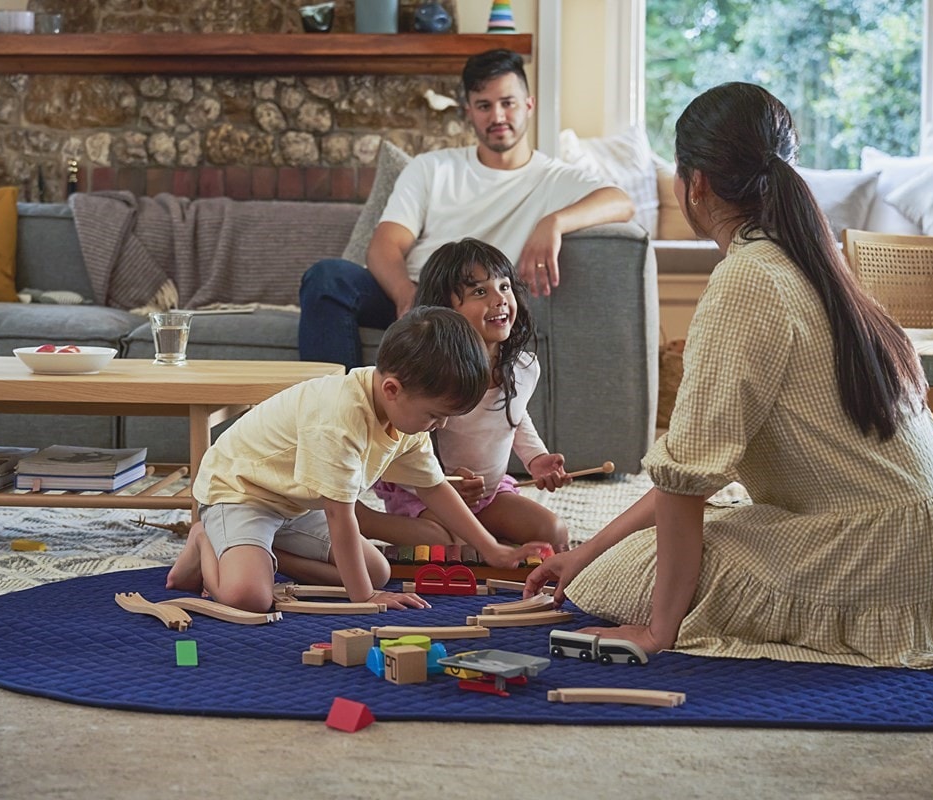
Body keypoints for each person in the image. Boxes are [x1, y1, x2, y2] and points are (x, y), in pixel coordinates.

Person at [525, 82, 933, 672]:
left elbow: (685, 481)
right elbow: (687, 471)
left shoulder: (745, 281)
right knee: (648, 544)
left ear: (694, 183)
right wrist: (588, 547)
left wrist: (658, 628)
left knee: (616, 577)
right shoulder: (815, 257)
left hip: (875, 557)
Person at [166, 305, 547, 614]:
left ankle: (265, 553)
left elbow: (434, 488)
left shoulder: (404, 416)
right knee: (249, 599)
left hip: (294, 504)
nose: (440, 425)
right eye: (435, 415)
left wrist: (493, 549)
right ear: (392, 390)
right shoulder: (339, 419)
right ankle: (205, 541)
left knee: (378, 571)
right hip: (240, 493)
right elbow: (340, 515)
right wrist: (362, 598)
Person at [298, 48, 635, 370]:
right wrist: (406, 295)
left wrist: (555, 221)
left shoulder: (554, 179)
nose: (497, 116)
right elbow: (384, 245)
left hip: (474, 305)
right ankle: (336, 414)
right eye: (484, 105)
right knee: (327, 278)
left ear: (529, 105)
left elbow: (621, 201)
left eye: (508, 103)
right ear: (469, 111)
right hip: (414, 292)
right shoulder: (430, 167)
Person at [359, 239, 570, 553]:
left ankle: (480, 537)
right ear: (444, 309)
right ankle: (364, 519)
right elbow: (399, 447)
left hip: (489, 494)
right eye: (480, 292)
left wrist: (536, 459)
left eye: (505, 287)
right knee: (448, 545)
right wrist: (446, 481)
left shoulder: (524, 368)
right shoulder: (432, 376)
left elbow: (513, 414)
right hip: (426, 491)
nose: (499, 299)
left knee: (553, 532)